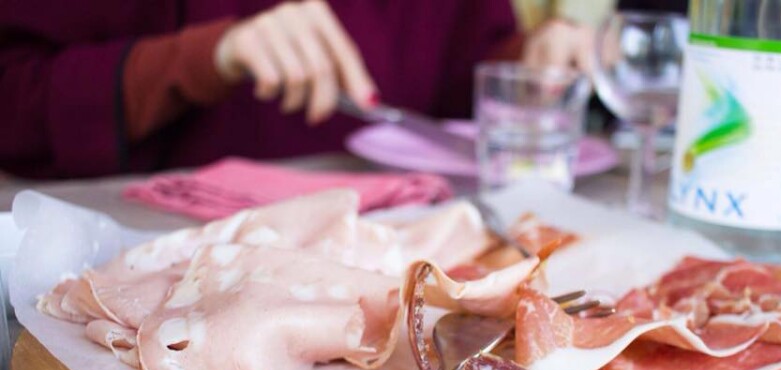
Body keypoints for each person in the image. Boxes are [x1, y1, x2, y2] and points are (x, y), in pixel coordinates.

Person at [0, 0, 593, 179]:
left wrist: (528, 69)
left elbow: (454, 81)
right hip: (157, 272)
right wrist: (203, 57)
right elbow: (15, 101)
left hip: (406, 256)